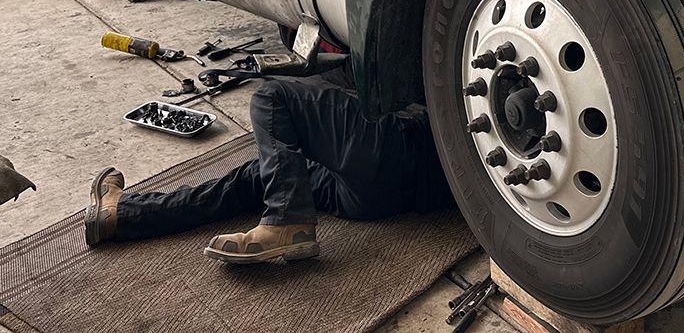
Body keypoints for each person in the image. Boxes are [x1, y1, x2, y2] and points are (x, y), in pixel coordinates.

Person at [84, 62, 453, 264]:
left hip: (407, 147)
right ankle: (122, 215)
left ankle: (287, 221)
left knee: (272, 98)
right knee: (263, 175)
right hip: (392, 194)